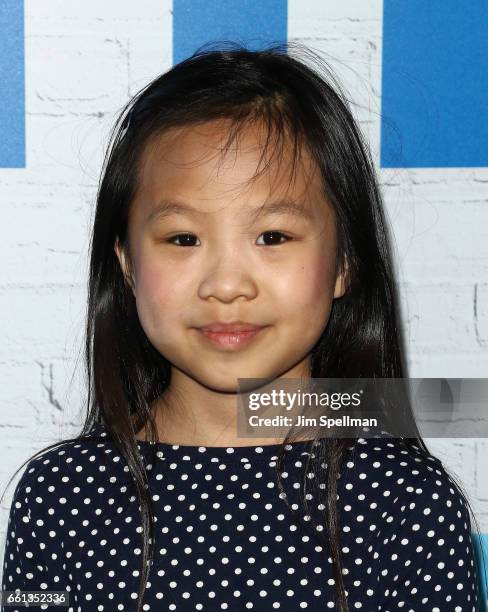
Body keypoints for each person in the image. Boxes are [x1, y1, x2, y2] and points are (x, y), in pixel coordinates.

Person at [1, 42, 483, 611]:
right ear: (128, 264)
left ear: (344, 262)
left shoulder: (407, 503)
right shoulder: (60, 496)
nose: (226, 285)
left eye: (272, 237)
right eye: (184, 239)